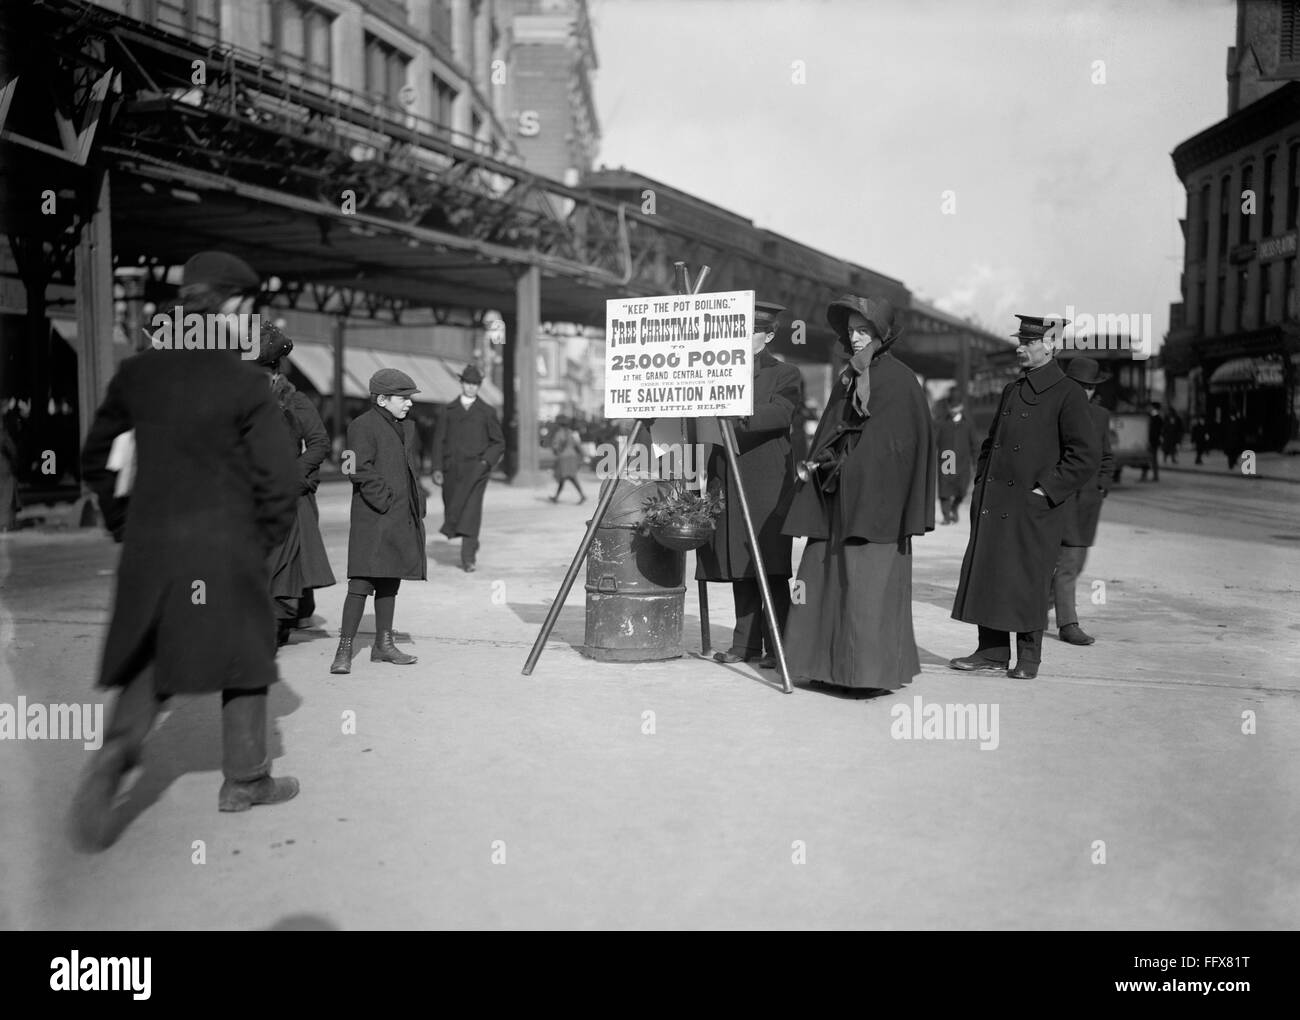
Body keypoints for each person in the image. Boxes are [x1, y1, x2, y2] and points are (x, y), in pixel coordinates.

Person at [71, 251, 301, 851]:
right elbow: (278, 481)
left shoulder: (137, 375)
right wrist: (261, 540)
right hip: (226, 547)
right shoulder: (246, 382)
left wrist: (127, 525)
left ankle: (115, 755)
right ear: (231, 305)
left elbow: (97, 458)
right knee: (246, 656)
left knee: (151, 657)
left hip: (153, 548)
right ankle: (245, 781)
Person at [782, 295, 936, 691]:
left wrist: (849, 468)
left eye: (863, 330)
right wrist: (824, 463)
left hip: (873, 507)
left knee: (866, 587)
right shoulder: (850, 374)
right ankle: (823, 668)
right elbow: (832, 428)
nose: (854, 337)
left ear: (881, 334)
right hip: (835, 496)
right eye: (850, 330)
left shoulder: (899, 380)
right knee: (822, 579)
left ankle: (865, 675)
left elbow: (896, 448)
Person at [949, 314, 1099, 680]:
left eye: (1028, 342)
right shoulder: (1013, 390)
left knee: (1027, 580)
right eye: (1021, 341)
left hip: (1034, 507)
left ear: (1050, 346)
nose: (1020, 347)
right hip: (995, 502)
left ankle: (1028, 660)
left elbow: (1085, 455)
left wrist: (1045, 491)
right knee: (992, 575)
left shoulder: (1068, 393)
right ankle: (992, 652)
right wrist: (982, 481)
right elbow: (990, 444)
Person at [696, 300, 802, 668]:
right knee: (740, 562)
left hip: (767, 482)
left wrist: (735, 407)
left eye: (751, 330)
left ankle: (779, 646)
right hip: (728, 472)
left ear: (768, 335)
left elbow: (780, 413)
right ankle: (744, 646)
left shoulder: (784, 372)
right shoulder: (717, 369)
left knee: (770, 566)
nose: (742, 337)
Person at [330, 368, 427, 674]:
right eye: (403, 398)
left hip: (400, 516)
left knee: (390, 579)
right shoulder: (361, 426)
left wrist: (414, 501)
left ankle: (383, 645)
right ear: (382, 399)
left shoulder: (406, 427)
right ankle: (344, 649)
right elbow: (353, 467)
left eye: (410, 398)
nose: (409, 403)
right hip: (373, 516)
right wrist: (384, 498)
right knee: (360, 581)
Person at [254, 325, 336, 646]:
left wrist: (294, 473)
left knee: (282, 560)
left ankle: (278, 624)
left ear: (274, 372)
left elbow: (319, 443)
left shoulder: (295, 401)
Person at [1051, 358, 1115, 646]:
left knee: (1077, 564)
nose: (1087, 392)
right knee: (1068, 563)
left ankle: (1036, 609)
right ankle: (1068, 624)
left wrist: (1102, 485)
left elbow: (1107, 456)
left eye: (1091, 387)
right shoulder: (1054, 412)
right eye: (1082, 386)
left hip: (1088, 502)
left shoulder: (1100, 416)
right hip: (1061, 499)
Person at [433, 364, 504, 572]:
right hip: (451, 470)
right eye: (468, 383)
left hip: (477, 470)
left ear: (479, 386)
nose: (471, 387)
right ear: (462, 383)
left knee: (472, 512)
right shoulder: (448, 410)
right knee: (454, 507)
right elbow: (439, 440)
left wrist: (486, 462)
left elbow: (498, 442)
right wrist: (437, 467)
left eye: (475, 384)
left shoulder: (487, 412)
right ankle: (471, 543)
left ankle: (468, 557)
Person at [935, 394, 980, 524]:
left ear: (961, 407)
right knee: (945, 490)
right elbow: (934, 441)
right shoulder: (942, 423)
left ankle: (954, 507)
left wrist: (975, 461)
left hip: (963, 463)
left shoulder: (968, 424)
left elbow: (975, 445)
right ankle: (946, 516)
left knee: (962, 490)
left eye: (956, 407)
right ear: (948, 407)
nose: (953, 410)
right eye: (951, 407)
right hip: (947, 461)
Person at [548, 416, 586, 504]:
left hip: (564, 458)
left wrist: (556, 452)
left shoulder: (559, 434)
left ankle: (582, 495)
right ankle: (556, 497)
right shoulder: (571, 433)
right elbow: (577, 445)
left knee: (567, 477)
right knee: (566, 477)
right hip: (572, 456)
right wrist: (582, 454)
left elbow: (555, 446)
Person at [1138, 401, 1162, 481]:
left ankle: (1148, 476)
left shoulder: (1154, 418)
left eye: (1150, 407)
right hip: (1153, 441)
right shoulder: (1155, 417)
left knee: (1149, 459)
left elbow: (1154, 432)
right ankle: (1153, 476)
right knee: (1151, 459)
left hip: (1152, 442)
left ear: (1153, 407)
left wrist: (1149, 441)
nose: (1149, 408)